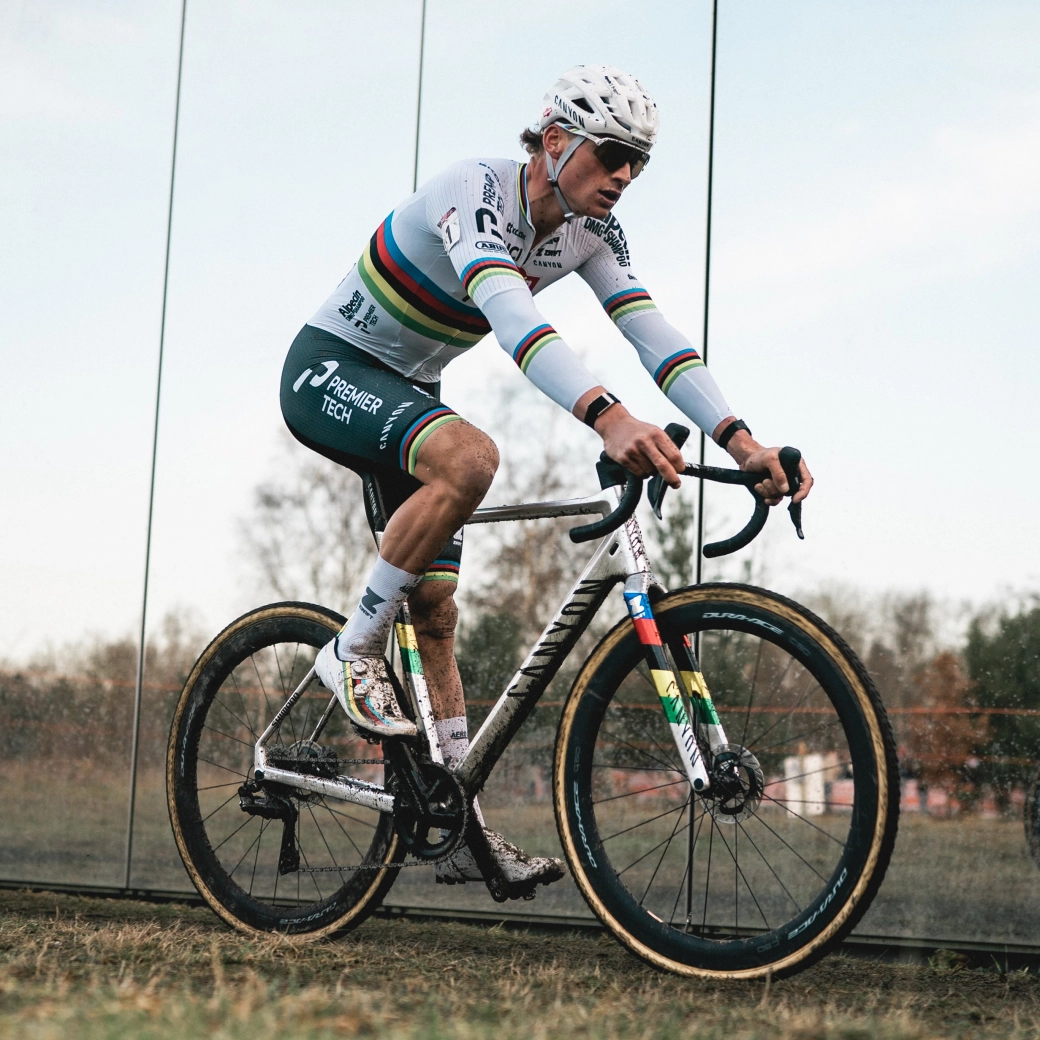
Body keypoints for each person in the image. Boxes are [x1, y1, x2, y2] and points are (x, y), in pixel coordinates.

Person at [280, 64, 813, 889]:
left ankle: (459, 828)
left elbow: (654, 335)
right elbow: (513, 316)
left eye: (638, 162)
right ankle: (350, 649)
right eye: (611, 155)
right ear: (556, 141)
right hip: (332, 367)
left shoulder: (591, 232)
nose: (625, 176)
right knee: (472, 458)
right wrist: (610, 416)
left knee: (439, 610)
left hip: (411, 387)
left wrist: (742, 440)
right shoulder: (476, 191)